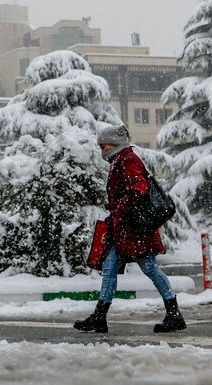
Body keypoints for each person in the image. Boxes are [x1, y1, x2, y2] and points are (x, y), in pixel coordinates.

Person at [74, 124, 186, 334]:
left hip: (135, 228)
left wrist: (119, 209)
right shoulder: (120, 159)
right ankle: (100, 316)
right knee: (109, 268)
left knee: (149, 268)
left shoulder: (128, 159)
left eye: (104, 146)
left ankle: (174, 314)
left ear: (115, 144)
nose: (102, 151)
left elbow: (138, 189)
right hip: (125, 227)